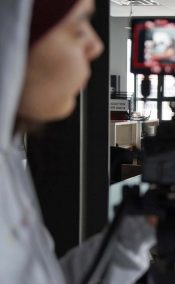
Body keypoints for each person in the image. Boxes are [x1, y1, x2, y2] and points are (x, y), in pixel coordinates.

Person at [1, 0, 155, 283]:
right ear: (12, 39)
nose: (96, 46)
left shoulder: (7, 164)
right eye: (77, 27)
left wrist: (137, 233)